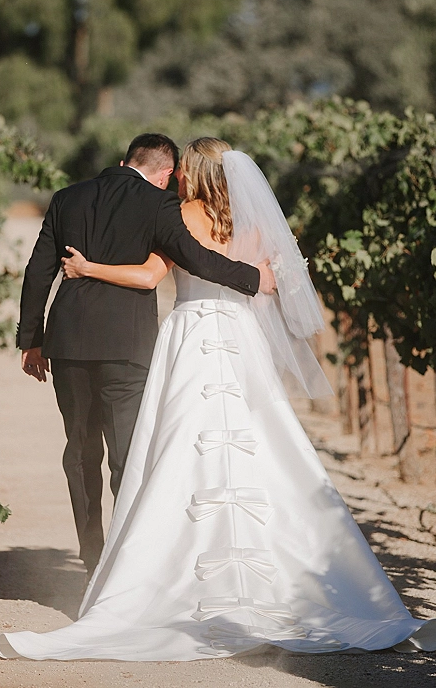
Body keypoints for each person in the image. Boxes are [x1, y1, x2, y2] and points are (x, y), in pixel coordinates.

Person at [0, 138, 436, 660]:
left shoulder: (168, 210)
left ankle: (116, 564)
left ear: (189, 172)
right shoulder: (249, 220)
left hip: (181, 337)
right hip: (235, 340)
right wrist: (260, 280)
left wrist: (80, 277)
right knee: (256, 443)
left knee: (151, 451)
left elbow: (146, 274)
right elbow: (262, 279)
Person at [17, 133, 275, 572]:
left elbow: (38, 270)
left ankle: (91, 556)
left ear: (124, 161)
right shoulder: (159, 204)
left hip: (69, 342)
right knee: (126, 454)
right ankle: (123, 563)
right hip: (127, 346)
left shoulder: (66, 198)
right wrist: (254, 279)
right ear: (166, 173)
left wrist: (31, 340)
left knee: (80, 450)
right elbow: (197, 260)